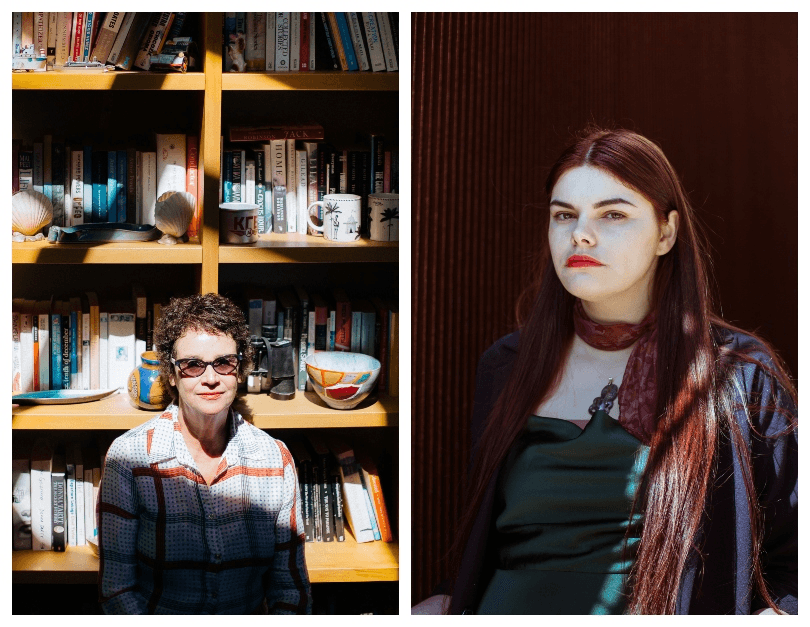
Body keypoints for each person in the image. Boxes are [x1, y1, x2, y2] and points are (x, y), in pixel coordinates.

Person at [412, 128, 797, 615]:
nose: (581, 234)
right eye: (563, 215)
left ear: (666, 233)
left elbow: (794, 562)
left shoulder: (739, 375)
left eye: (612, 214)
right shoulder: (505, 366)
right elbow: (484, 548)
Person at [98, 293, 312, 614]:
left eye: (224, 363)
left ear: (239, 371)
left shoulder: (275, 460)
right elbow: (117, 591)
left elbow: (290, 591)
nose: (210, 379)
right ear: (171, 374)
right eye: (192, 365)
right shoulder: (129, 459)